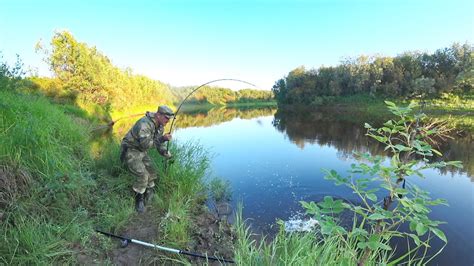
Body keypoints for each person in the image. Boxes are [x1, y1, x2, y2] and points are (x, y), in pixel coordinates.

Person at [120, 105, 174, 213]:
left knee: (152, 171)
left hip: (141, 151)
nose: (168, 121)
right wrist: (163, 139)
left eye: (169, 119)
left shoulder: (160, 126)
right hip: (131, 150)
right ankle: (139, 200)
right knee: (143, 175)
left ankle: (149, 193)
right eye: (166, 118)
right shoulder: (144, 124)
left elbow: (157, 143)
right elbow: (146, 145)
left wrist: (164, 152)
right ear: (158, 115)